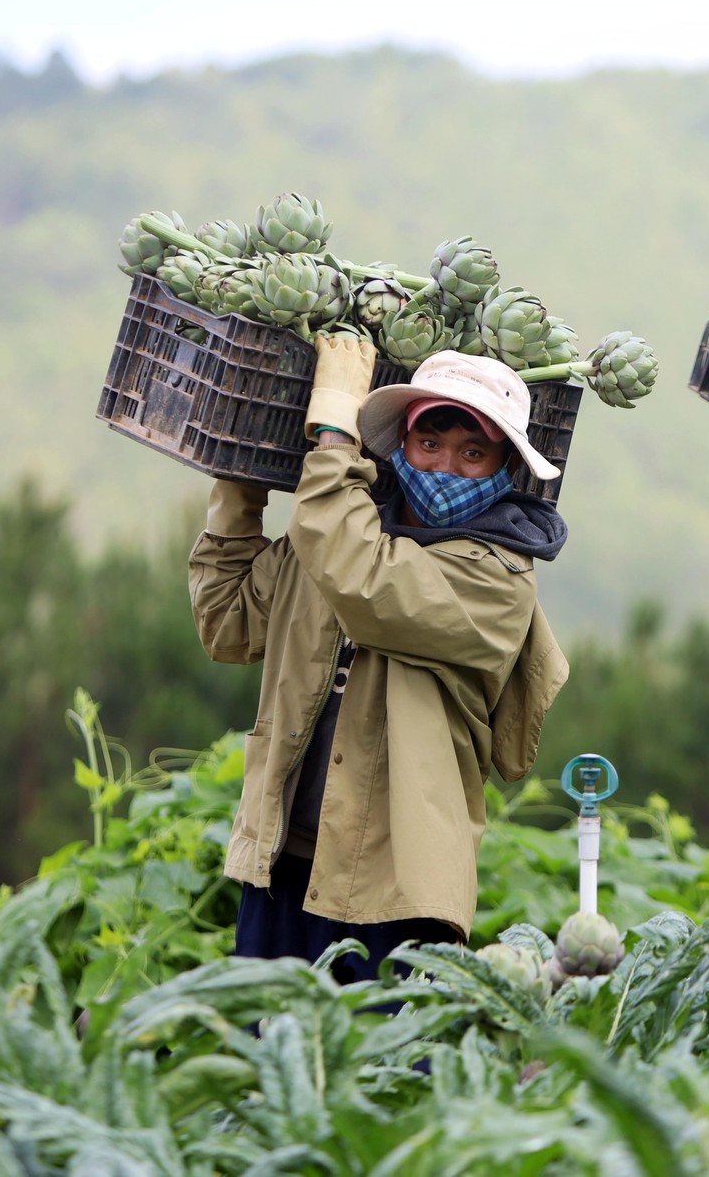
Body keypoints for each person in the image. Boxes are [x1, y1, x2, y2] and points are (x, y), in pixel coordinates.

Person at [190, 335, 569, 981]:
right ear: (403, 446)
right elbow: (227, 623)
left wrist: (335, 435)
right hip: (283, 861)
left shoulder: (497, 578)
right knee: (269, 1060)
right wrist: (240, 478)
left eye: (473, 452)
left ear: (507, 467)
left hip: (396, 885)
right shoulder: (336, 531)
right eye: (430, 444)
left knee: (380, 1069)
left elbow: (363, 577)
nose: (446, 466)